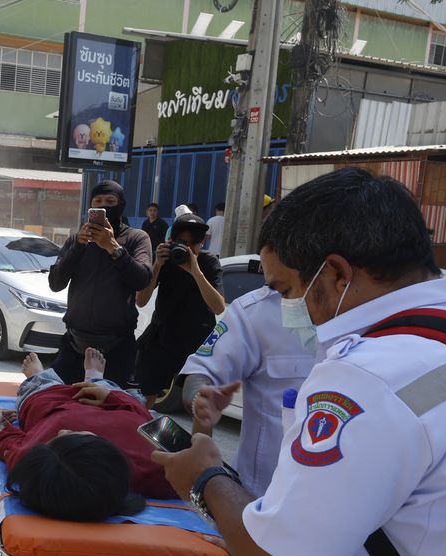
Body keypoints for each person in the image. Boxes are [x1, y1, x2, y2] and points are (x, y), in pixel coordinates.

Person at [152, 167, 446, 556]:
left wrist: (205, 478)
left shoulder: (363, 377)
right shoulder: (443, 340)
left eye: (289, 290)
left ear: (337, 274)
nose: (289, 307)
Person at [0, 351, 176, 521]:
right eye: (72, 436)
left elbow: (2, 438)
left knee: (37, 390)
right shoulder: (161, 467)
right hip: (115, 405)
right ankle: (95, 378)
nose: (63, 431)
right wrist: (111, 398)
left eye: (55, 440)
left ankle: (39, 376)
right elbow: (147, 417)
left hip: (52, 404)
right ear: (103, 453)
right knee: (123, 395)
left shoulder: (41, 464)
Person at [180, 281, 314, 497]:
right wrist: (200, 399)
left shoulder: (364, 313)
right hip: (259, 498)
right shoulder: (257, 310)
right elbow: (201, 372)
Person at [47, 180, 152, 387]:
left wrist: (113, 248)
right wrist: (77, 247)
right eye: (98, 202)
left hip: (117, 348)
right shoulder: (76, 241)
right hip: (74, 344)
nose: (104, 206)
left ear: (121, 205)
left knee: (108, 413)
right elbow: (55, 283)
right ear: (91, 207)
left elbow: (142, 279)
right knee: (60, 405)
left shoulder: (136, 238)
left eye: (110, 201)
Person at [133, 210, 226, 409]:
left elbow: (218, 307)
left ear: (202, 243)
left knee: (201, 405)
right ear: (172, 241)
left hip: (197, 343)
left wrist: (195, 271)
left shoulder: (208, 263)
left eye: (194, 243)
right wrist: (157, 264)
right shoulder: (166, 260)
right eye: (183, 243)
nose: (188, 249)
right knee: (143, 397)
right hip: (163, 338)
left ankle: (200, 441)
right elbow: (141, 300)